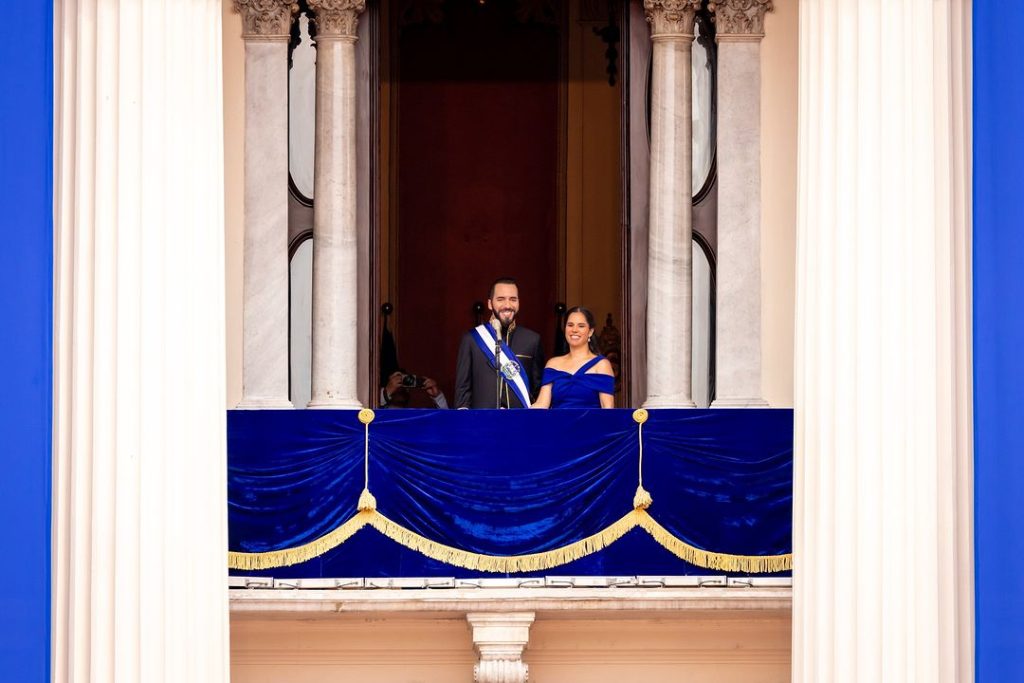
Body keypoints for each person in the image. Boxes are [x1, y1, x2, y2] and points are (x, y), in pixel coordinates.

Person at [454, 277, 544, 409]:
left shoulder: (532, 339)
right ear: (490, 304)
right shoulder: (471, 339)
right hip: (483, 424)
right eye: (500, 299)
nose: (507, 305)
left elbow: (539, 392)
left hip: (520, 424)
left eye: (513, 299)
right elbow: (462, 393)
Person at [532, 306, 615, 409]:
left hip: (590, 425)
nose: (574, 330)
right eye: (570, 325)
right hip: (558, 424)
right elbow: (542, 404)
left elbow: (608, 408)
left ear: (590, 331)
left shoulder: (602, 365)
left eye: (581, 326)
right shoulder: (553, 364)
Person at [380, 370, 449, 409]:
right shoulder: (380, 410)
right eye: (399, 382)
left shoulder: (413, 415)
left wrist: (438, 397)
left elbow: (446, 422)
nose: (402, 388)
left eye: (406, 383)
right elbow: (369, 413)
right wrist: (386, 392)